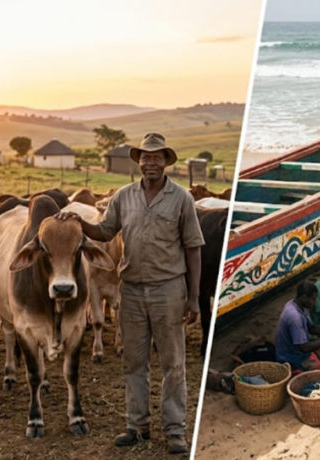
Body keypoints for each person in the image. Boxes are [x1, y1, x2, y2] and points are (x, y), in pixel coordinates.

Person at [57, 132, 204, 454]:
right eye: (145, 157)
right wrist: (78, 221)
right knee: (134, 362)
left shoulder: (181, 198)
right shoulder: (123, 197)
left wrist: (193, 297)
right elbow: (105, 231)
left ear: (166, 161)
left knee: (174, 364)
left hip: (169, 288)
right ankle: (136, 426)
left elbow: (193, 248)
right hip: (132, 290)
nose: (151, 162)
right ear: (138, 161)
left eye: (157, 157)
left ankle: (174, 430)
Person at [275, 281, 320, 371]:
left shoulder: (298, 305)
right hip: (292, 358)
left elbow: (312, 329)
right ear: (304, 298)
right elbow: (305, 348)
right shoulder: (295, 317)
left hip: (300, 350)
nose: (314, 302)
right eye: (313, 299)